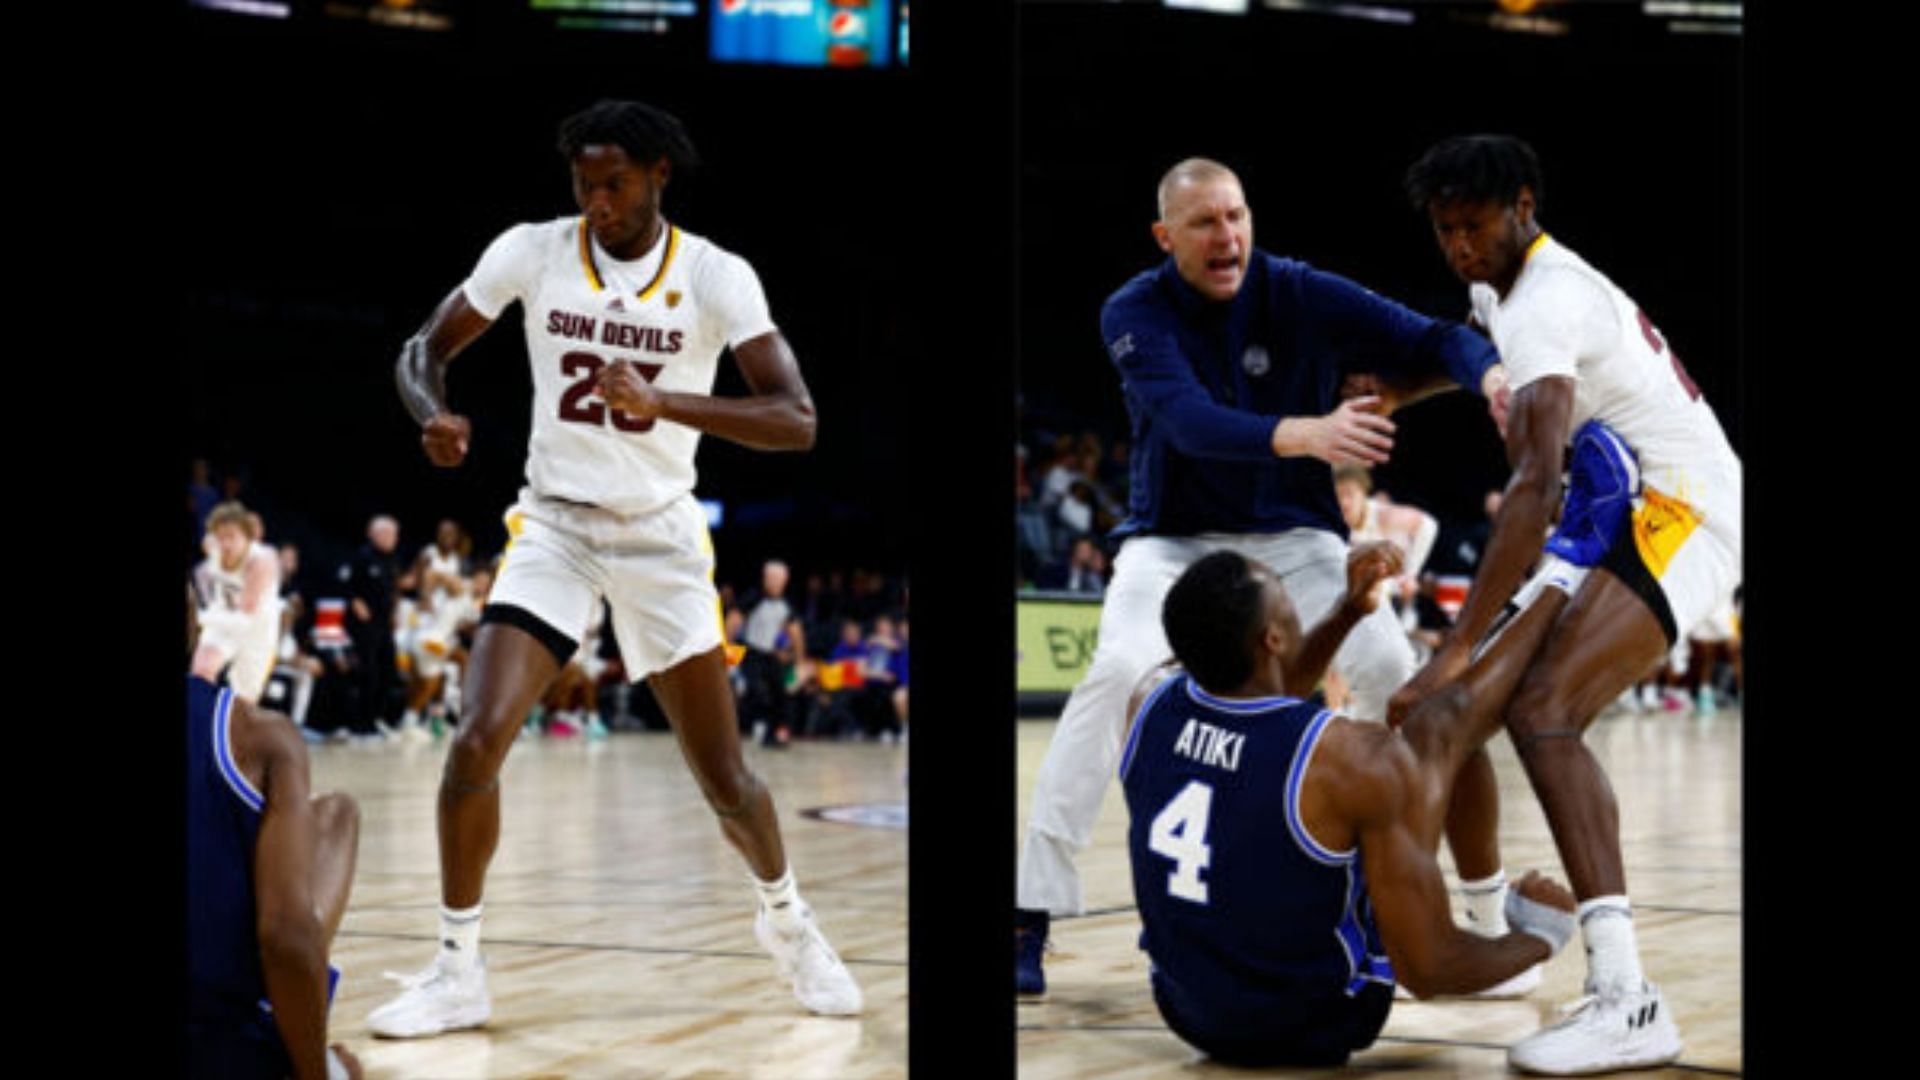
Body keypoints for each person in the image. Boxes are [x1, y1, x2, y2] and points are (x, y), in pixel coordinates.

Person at [371, 98, 859, 1038]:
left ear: (659, 177)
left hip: (660, 537)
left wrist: (667, 400)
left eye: (616, 184)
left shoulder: (717, 277)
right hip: (553, 525)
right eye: (584, 182)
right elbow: (421, 350)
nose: (597, 200)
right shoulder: (533, 251)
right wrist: (431, 413)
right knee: (474, 739)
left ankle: (789, 924)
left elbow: (797, 419)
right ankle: (456, 968)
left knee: (725, 779)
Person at [1016, 156, 1512, 995]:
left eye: (1237, 216)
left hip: (1294, 537)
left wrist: (1490, 375)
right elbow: (1189, 422)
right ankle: (1030, 907)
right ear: (1164, 236)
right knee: (1117, 671)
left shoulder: (1298, 289)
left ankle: (1460, 906)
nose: (1227, 237)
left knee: (1405, 682)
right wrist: (1309, 433)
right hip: (1170, 541)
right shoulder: (1133, 311)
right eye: (1205, 222)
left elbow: (1434, 337)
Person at [1391, 134, 1741, 1073]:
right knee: (1485, 714)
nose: (1461, 249)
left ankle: (1627, 999)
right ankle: (1499, 926)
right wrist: (1395, 393)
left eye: (1474, 228)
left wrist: (1455, 643)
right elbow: (1484, 356)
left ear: (1524, 206)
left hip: (1683, 507)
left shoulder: (1549, 300)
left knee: (1542, 710)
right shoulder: (1501, 290)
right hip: (1618, 502)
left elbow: (1534, 485)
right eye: (1444, 232)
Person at [1121, 545, 1577, 1068]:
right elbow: (1427, 970)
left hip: (1186, 1011)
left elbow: (1257, 696)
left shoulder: (1148, 700)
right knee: (1436, 726)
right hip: (1316, 1020)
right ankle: (1557, 582)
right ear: (1273, 637)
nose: (1294, 603)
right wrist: (1540, 936)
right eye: (1285, 598)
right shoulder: (1350, 758)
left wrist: (1347, 613)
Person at [188, 639, 364, 1077]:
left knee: (331, 812)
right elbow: (285, 936)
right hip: (221, 1052)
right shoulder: (253, 731)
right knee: (336, 815)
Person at [192, 500, 285, 703]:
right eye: (221, 537)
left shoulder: (263, 560)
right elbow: (201, 576)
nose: (225, 544)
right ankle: (199, 725)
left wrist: (200, 617)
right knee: (201, 671)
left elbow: (245, 618)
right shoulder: (212, 546)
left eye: (232, 537)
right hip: (223, 618)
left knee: (244, 700)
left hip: (257, 627)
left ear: (247, 537)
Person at [338, 515, 403, 739]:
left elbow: (393, 589)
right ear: (372, 534)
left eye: (393, 534)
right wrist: (355, 601)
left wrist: (395, 612)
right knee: (368, 672)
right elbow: (344, 582)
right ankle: (360, 724)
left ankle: (376, 719)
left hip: (384, 625)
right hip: (364, 626)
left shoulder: (392, 560)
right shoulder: (361, 556)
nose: (391, 538)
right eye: (386, 533)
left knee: (389, 672)